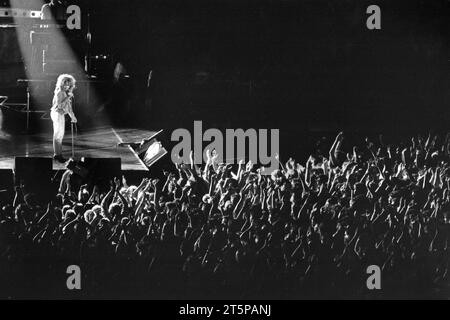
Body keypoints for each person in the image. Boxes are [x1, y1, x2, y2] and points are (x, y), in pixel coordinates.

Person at [51, 74, 77, 163]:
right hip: (57, 113)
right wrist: (68, 97)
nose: (66, 86)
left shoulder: (65, 93)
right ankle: (57, 154)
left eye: (68, 85)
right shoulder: (59, 92)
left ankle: (59, 154)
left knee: (60, 135)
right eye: (65, 84)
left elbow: (69, 108)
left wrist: (73, 117)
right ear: (61, 84)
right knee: (57, 134)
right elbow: (60, 105)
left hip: (61, 114)